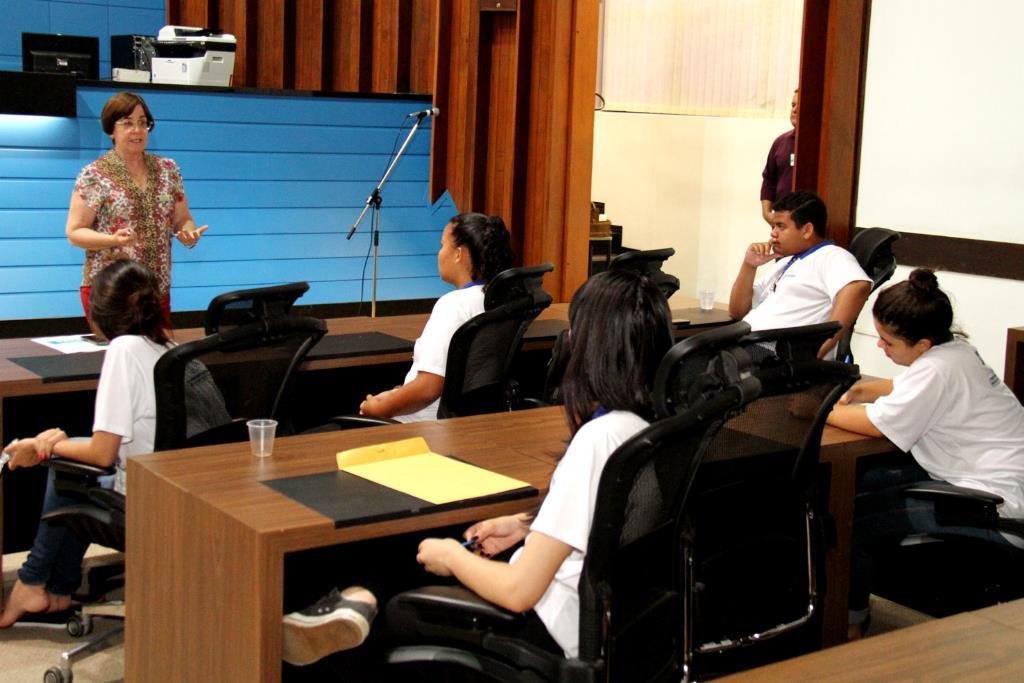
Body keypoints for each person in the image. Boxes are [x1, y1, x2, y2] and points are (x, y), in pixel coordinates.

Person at [415, 269, 674, 658]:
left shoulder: (598, 439)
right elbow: (606, 520)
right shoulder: (647, 425)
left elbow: (518, 591)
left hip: (547, 628)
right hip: (600, 624)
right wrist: (527, 524)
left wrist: (451, 555)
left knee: (396, 606)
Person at [826, 269, 1024, 640]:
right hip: (996, 478)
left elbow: (878, 426)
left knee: (852, 518)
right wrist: (862, 392)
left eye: (888, 342)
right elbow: (904, 387)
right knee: (864, 481)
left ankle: (849, 626)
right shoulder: (956, 351)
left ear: (923, 345)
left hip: (993, 503)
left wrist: (822, 410)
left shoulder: (937, 369)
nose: (881, 347)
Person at [0, 260, 174, 628]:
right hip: (173, 489)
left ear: (96, 314)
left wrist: (48, 445)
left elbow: (102, 453)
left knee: (64, 463)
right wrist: (57, 441)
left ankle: (32, 582)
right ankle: (60, 590)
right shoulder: (166, 346)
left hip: (145, 497)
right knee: (69, 454)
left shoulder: (123, 351)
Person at [65, 91, 208, 325]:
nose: (137, 130)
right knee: (122, 358)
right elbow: (75, 232)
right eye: (128, 123)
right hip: (112, 293)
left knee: (157, 359)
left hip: (156, 291)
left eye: (143, 123)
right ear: (111, 130)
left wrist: (188, 234)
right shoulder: (94, 175)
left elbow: (183, 219)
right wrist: (113, 240)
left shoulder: (168, 169)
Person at [358, 212, 515, 422]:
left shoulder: (453, 305)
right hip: (465, 424)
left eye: (443, 245)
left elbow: (428, 387)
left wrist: (379, 408)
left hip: (420, 426)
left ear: (458, 254)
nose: (439, 253)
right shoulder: (501, 301)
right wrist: (397, 393)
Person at [728, 190, 870, 359]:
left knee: (698, 368)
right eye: (773, 226)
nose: (773, 233)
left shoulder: (831, 255)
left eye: (780, 226)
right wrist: (749, 266)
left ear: (807, 230)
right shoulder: (784, 263)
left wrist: (825, 344)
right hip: (750, 345)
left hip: (775, 355)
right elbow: (737, 312)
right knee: (693, 357)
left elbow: (858, 286)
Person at [760, 89, 798, 225]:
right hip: (781, 222)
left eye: (799, 106)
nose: (794, 110)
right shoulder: (781, 142)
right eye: (793, 105)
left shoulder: (820, 145)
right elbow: (769, 180)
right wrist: (767, 213)